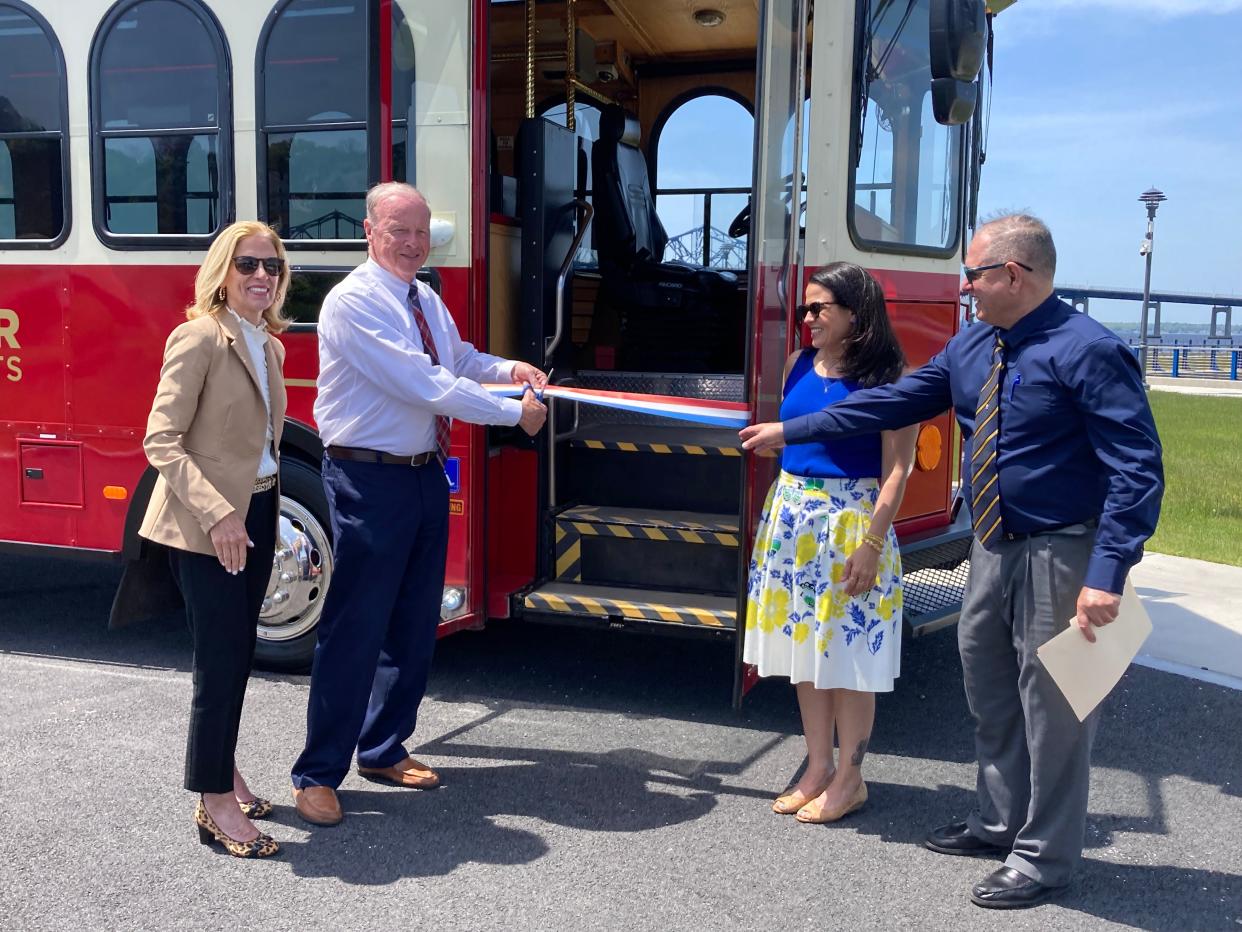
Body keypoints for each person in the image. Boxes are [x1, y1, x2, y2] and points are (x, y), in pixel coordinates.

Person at [740, 214, 1164, 908]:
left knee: (1056, 708)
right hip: (994, 545)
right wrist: (793, 429)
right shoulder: (974, 346)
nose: (964, 288)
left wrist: (1106, 574)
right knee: (991, 688)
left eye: (973, 274)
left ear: (1013, 275)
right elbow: (892, 403)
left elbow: (1137, 470)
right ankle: (998, 823)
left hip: (1063, 549)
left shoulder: (1087, 351)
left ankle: (1044, 858)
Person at [290, 182, 548, 827]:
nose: (412, 242)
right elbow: (421, 381)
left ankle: (381, 749)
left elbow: (457, 359)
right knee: (356, 627)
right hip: (366, 479)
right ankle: (318, 773)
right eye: (399, 230)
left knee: (412, 623)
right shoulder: (353, 302)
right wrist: (511, 413)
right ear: (370, 231)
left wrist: (509, 368)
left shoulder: (424, 296)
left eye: (421, 230)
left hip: (423, 474)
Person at [135, 220, 291, 858]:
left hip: (255, 514)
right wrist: (220, 514)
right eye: (248, 265)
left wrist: (261, 513)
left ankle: (224, 772)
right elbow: (160, 439)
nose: (261, 276)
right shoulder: (198, 336)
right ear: (224, 272)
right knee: (219, 663)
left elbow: (263, 445)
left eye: (272, 267)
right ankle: (214, 801)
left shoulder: (269, 344)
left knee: (237, 657)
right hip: (208, 526)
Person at [745, 263, 916, 825]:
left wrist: (871, 542)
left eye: (819, 308)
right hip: (794, 519)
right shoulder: (799, 364)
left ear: (854, 312)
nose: (807, 318)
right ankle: (817, 766)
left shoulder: (891, 375)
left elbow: (898, 471)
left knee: (846, 661)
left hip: (851, 523)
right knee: (807, 655)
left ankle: (850, 778)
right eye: (806, 308)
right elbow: (795, 442)